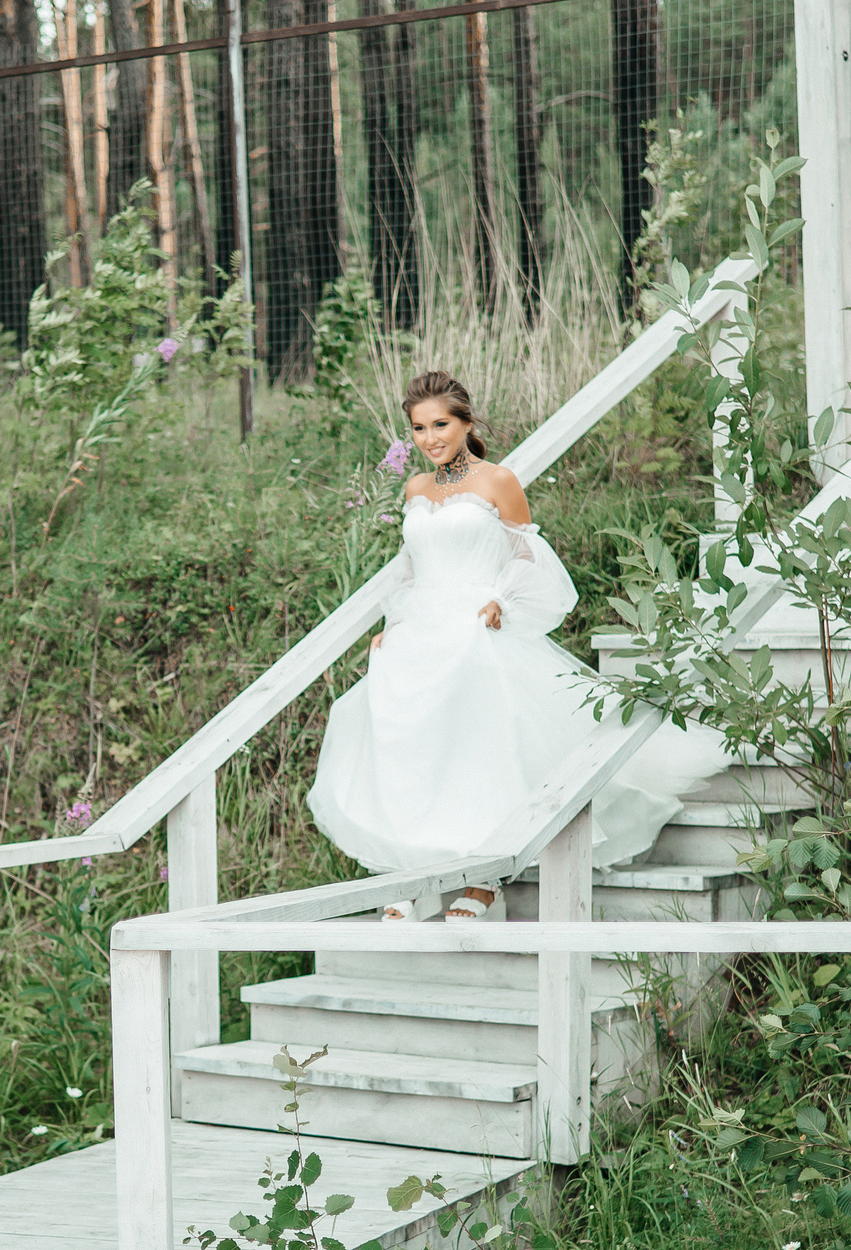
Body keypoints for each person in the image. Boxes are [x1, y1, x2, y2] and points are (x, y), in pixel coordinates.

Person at [307, 370, 731, 920]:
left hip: (476, 625)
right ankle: (411, 877)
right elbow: (411, 571)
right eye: (418, 429)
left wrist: (502, 600)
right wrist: (396, 621)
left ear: (465, 423)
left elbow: (529, 557)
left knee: (477, 750)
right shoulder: (415, 488)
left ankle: (485, 881)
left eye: (441, 424)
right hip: (422, 630)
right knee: (408, 747)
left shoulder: (497, 481)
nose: (431, 438)